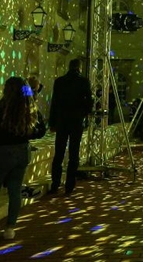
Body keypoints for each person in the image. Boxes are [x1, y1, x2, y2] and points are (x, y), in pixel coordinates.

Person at [0, 77, 47, 242]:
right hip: (22, 151)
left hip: (2, 152)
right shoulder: (30, 109)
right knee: (15, 191)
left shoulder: (0, 110)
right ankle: (10, 229)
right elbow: (41, 130)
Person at [49, 58, 93, 195]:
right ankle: (69, 185)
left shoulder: (59, 81)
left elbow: (54, 103)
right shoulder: (84, 82)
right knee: (74, 153)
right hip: (76, 121)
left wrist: (52, 122)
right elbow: (89, 102)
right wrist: (83, 114)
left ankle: (55, 184)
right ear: (79, 67)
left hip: (62, 120)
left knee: (59, 153)